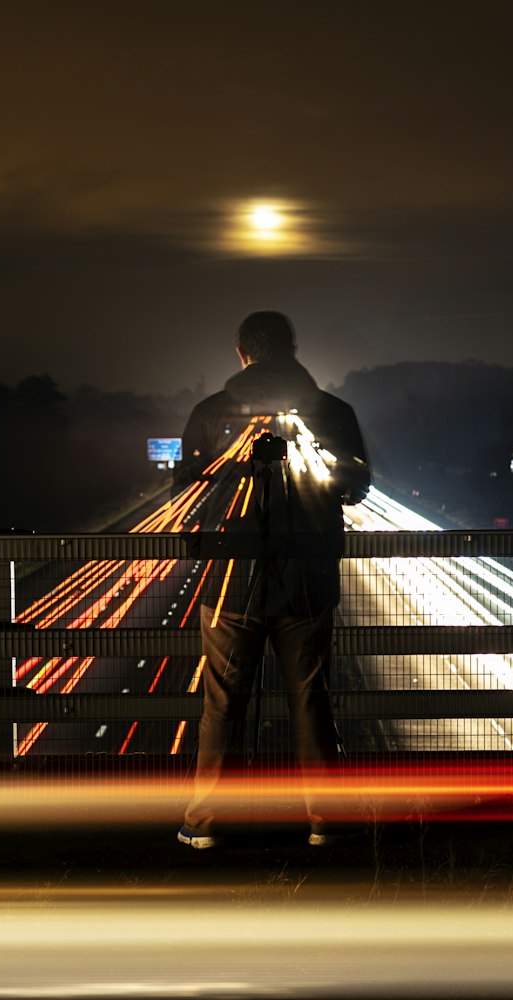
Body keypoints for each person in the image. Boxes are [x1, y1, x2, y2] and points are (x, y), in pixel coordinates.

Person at [174, 310, 371, 849]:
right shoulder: (333, 412)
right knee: (310, 700)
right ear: (293, 350)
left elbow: (184, 498)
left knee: (223, 703)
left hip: (229, 585)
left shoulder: (211, 413)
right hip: (306, 581)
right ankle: (325, 821)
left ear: (242, 355)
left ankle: (207, 822)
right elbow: (356, 486)